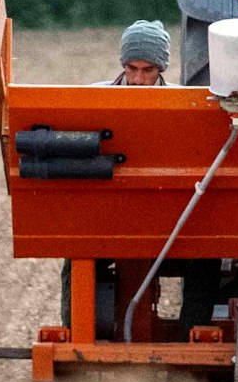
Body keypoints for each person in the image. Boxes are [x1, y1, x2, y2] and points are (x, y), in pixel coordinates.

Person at [66, 22, 224, 334]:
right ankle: (78, 336)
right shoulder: (91, 101)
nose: (138, 80)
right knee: (77, 256)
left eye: (148, 70)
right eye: (131, 68)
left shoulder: (187, 107)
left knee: (207, 255)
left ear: (162, 67)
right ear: (122, 65)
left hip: (168, 223)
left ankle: (190, 347)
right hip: (110, 220)